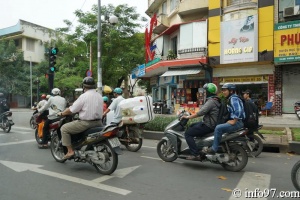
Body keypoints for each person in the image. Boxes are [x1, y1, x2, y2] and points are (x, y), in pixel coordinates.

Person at [59, 77, 103, 159]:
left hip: (86, 123)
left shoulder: (84, 96)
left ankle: (70, 151)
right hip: (99, 123)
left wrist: (62, 113)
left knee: (64, 128)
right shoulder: (99, 95)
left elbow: (72, 109)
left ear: (84, 86)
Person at [181, 83, 220, 160]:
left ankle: (195, 154)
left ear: (208, 92)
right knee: (192, 125)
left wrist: (188, 117)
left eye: (205, 91)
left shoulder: (211, 101)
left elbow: (201, 112)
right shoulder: (216, 100)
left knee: (188, 133)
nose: (204, 93)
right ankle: (199, 147)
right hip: (212, 124)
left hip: (208, 125)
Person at [205, 83, 245, 154]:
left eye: (225, 90)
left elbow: (238, 110)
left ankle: (214, 148)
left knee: (218, 128)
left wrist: (234, 121)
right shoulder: (231, 98)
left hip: (238, 122)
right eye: (222, 90)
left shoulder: (233, 98)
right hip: (238, 121)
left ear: (231, 91)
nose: (223, 92)